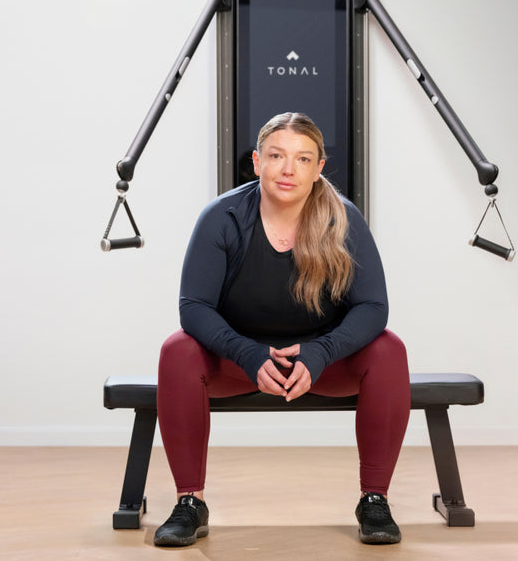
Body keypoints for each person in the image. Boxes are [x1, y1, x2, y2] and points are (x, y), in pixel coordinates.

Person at [154, 112, 410, 547]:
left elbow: (373, 307)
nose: (288, 169)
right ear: (257, 162)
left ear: (318, 168)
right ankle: (189, 503)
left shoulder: (342, 220)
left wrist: (321, 352)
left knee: (389, 349)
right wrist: (249, 355)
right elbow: (193, 307)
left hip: (322, 364)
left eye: (302, 158)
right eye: (276, 156)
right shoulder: (223, 217)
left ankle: (374, 500)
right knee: (177, 350)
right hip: (240, 362)